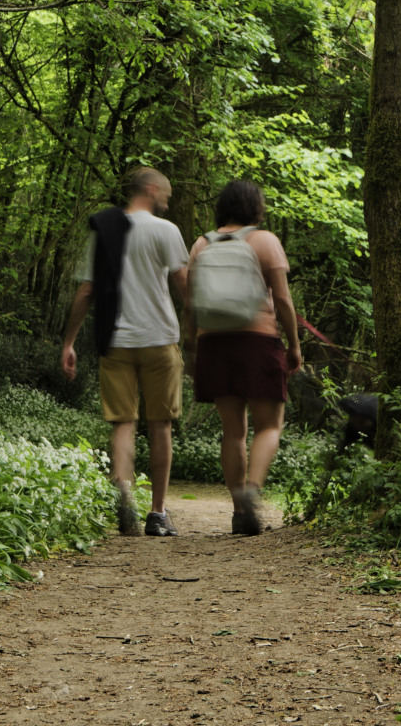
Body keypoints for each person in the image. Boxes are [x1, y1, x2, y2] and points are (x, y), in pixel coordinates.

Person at [61, 167, 188, 537]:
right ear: (150, 190)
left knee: (123, 423)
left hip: (115, 340)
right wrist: (199, 328)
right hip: (160, 339)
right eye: (165, 193)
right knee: (160, 424)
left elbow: (86, 291)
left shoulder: (103, 230)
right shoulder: (167, 231)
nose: (168, 200)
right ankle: (158, 513)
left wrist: (69, 341)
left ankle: (124, 495)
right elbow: (184, 287)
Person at [186, 180, 302, 535]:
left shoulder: (201, 244)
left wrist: (195, 345)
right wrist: (294, 345)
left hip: (214, 344)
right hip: (257, 340)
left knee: (232, 431)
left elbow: (191, 304)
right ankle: (253, 489)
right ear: (255, 207)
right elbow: (282, 300)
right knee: (269, 425)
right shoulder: (264, 241)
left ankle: (239, 512)